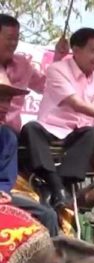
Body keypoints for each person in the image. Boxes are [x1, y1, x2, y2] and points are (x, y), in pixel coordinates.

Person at [18, 27, 94, 210]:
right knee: (31, 129)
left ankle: (53, 187)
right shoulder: (57, 70)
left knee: (93, 132)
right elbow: (76, 104)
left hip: (77, 135)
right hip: (50, 129)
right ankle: (58, 187)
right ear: (76, 50)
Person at [0, 14, 69, 194]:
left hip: (10, 134)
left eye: (17, 39)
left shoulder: (23, 64)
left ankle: (4, 191)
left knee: (14, 134)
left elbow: (48, 86)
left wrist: (59, 57)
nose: (13, 43)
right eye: (9, 38)